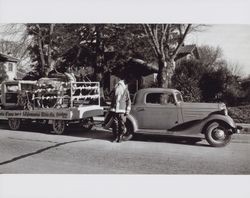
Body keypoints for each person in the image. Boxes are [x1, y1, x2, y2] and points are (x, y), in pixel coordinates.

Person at [110, 74, 131, 143]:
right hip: (116, 110)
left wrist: (127, 110)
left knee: (120, 124)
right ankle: (117, 137)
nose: (118, 87)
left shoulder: (125, 91)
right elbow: (112, 99)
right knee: (116, 124)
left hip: (121, 110)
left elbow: (128, 101)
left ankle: (119, 137)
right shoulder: (117, 91)